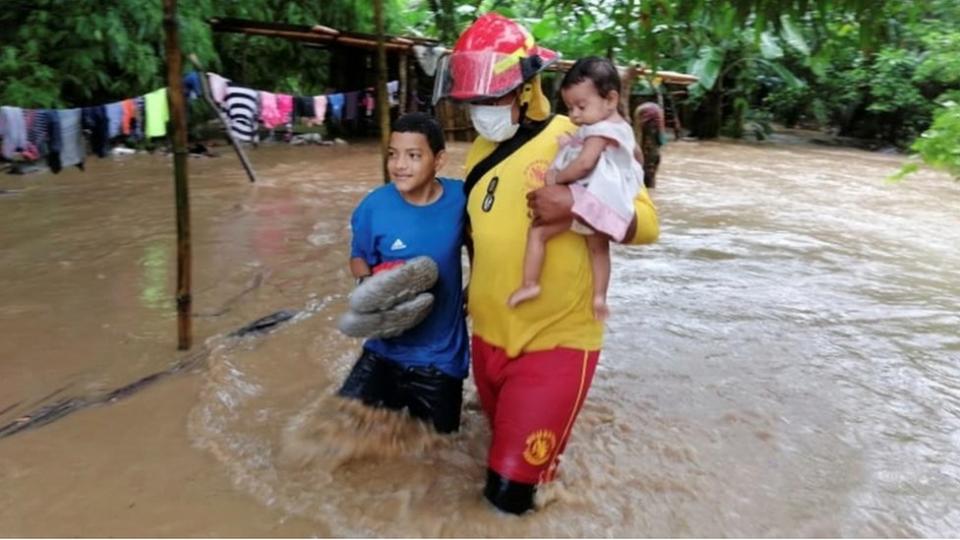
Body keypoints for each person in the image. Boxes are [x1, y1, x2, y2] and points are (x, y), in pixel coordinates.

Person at [434, 13, 659, 514]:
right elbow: (478, 236)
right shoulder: (478, 154)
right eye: (473, 101)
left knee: (507, 500)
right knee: (482, 457)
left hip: (555, 344)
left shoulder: (581, 134)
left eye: (492, 98)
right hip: (487, 343)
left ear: (526, 87)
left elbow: (647, 224)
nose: (481, 111)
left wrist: (576, 205)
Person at [337, 112, 469, 434]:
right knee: (337, 431)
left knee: (440, 454)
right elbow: (359, 259)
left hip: (440, 360)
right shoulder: (373, 206)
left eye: (413, 156)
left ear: (438, 160)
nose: (400, 165)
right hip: (384, 349)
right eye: (393, 155)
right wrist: (372, 287)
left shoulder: (462, 199)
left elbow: (484, 242)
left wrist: (475, 285)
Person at [507, 57, 643, 321]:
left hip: (589, 199)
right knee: (598, 249)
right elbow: (636, 157)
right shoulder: (618, 128)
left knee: (538, 232)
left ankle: (530, 283)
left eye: (581, 106)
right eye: (570, 107)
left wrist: (557, 177)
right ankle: (600, 297)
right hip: (604, 200)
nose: (574, 115)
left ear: (611, 100)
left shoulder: (599, 131)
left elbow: (583, 164)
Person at [633, 101, 666, 189]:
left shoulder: (644, 133)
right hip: (651, 156)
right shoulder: (656, 134)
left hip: (648, 157)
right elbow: (661, 140)